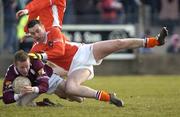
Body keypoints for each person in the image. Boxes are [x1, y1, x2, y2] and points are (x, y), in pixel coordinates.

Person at [27, 19, 168, 107]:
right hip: (77, 67)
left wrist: (41, 55)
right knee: (71, 89)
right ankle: (108, 97)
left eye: (37, 31)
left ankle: (155, 41)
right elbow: (28, 66)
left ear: (43, 27)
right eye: (32, 34)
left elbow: (59, 50)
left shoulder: (54, 31)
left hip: (85, 51)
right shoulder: (35, 48)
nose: (36, 35)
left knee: (118, 43)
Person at [2, 50, 83, 106]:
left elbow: (44, 85)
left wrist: (33, 89)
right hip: (34, 86)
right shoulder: (11, 72)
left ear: (29, 61)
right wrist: (20, 95)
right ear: (15, 65)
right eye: (22, 67)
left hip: (50, 79)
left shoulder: (35, 62)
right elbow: (6, 98)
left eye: (27, 66)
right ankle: (45, 104)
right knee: (21, 104)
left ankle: (63, 90)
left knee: (79, 99)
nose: (25, 70)